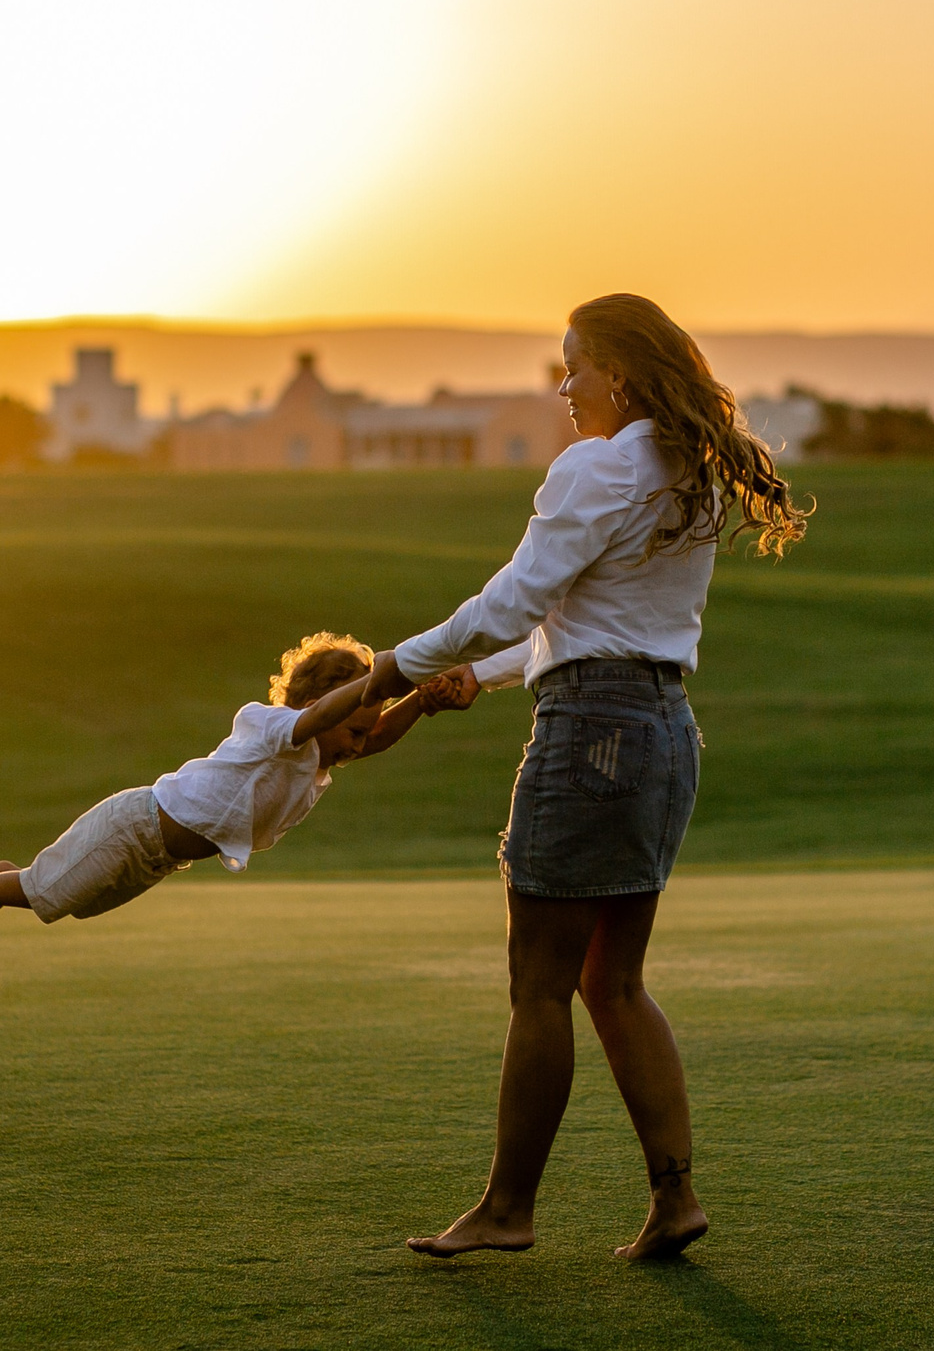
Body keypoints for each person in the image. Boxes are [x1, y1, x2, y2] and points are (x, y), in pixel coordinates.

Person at [360, 293, 809, 1262]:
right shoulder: (682, 468)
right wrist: (474, 673)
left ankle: (506, 1207)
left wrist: (390, 664)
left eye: (573, 366)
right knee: (614, 980)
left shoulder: (597, 465)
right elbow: (584, 623)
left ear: (620, 371)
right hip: (661, 730)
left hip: (592, 730)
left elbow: (514, 599)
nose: (563, 387)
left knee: (539, 981)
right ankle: (672, 1196)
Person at [0, 633, 462, 947]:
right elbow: (323, 714)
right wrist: (386, 677)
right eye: (352, 728)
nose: (357, 744)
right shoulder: (272, 727)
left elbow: (377, 736)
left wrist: (421, 700)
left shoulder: (321, 754)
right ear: (313, 708)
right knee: (57, 892)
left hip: (161, 858)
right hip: (134, 825)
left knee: (73, 904)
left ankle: (15, 879)